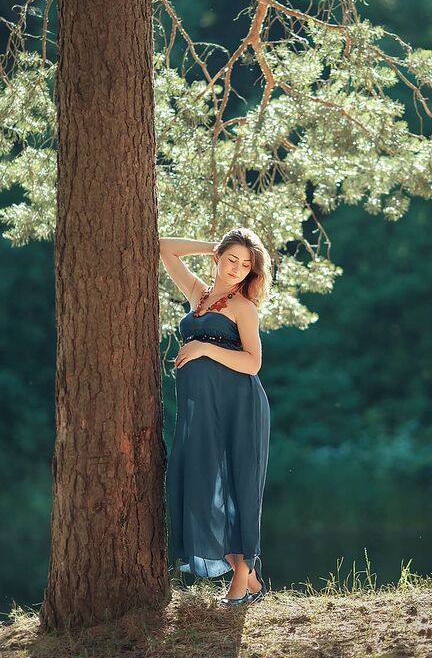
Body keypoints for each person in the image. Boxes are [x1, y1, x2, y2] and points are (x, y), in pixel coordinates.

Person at [160, 227, 272, 606]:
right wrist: (213, 245)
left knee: (239, 487)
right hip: (201, 410)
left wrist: (205, 349)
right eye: (231, 259)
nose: (238, 269)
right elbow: (164, 249)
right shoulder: (199, 295)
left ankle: (241, 579)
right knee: (200, 484)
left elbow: (253, 363)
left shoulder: (243, 308)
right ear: (218, 258)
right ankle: (252, 576)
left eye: (246, 265)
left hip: (239, 406)